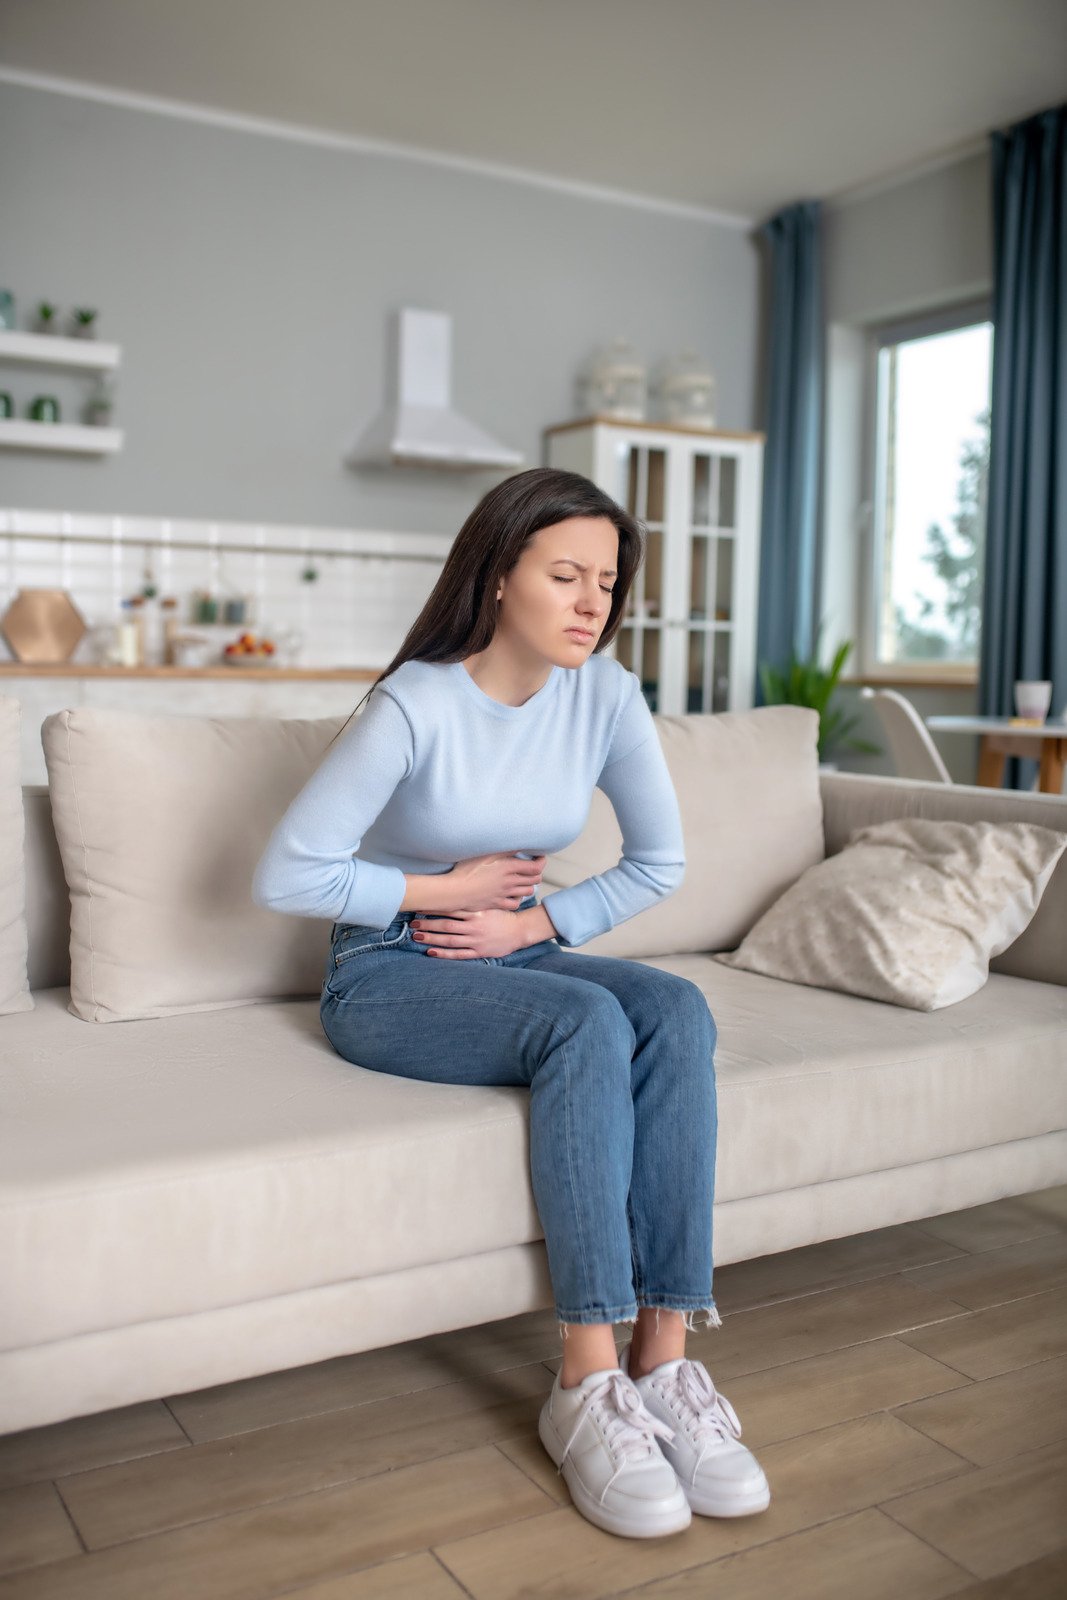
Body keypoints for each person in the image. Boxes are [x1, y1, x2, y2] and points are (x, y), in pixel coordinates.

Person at [252, 466, 770, 1540]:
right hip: (388, 969)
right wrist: (447, 892)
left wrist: (533, 926)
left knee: (671, 1010)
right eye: (565, 574)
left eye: (607, 581)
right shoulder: (415, 702)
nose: (592, 601)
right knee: (584, 1023)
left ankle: (663, 1363)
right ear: (497, 577)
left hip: (514, 949)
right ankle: (585, 1380)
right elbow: (288, 873)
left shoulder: (606, 696)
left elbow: (658, 862)